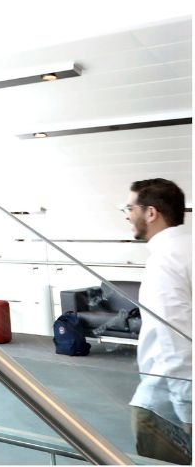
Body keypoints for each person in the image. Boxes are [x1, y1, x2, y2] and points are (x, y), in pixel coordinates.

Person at [124, 178, 192, 464]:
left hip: (168, 404)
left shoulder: (163, 261)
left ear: (151, 213)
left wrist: (188, 413)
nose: (127, 215)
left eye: (130, 208)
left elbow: (174, 339)